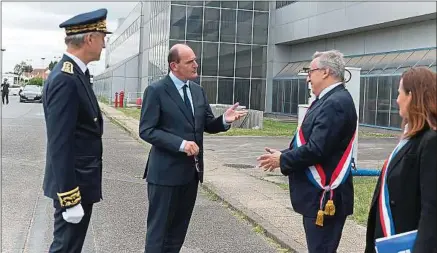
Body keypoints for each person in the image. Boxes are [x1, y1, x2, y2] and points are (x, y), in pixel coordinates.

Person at [139, 43, 247, 253]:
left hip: (191, 175)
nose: (196, 65)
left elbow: (207, 124)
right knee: (158, 233)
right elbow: (147, 130)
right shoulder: (156, 91)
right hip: (164, 175)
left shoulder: (197, 91)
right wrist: (180, 144)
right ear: (174, 65)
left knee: (177, 233)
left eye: (195, 60)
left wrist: (224, 120)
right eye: (190, 62)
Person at [257, 50, 357, 253]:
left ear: (326, 72)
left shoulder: (336, 103)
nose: (307, 79)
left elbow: (317, 149)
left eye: (310, 72)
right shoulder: (326, 100)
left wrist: (283, 159)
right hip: (317, 196)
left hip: (326, 196)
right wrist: (283, 155)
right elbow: (312, 143)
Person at [42, 8, 110, 252]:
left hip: (81, 180)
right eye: (103, 37)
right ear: (90, 39)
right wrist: (69, 198)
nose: (104, 44)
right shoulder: (65, 78)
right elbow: (60, 143)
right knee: (65, 248)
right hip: (74, 185)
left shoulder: (78, 74)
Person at [364, 67, 437, 253]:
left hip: (409, 243)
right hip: (390, 239)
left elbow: (432, 209)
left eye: (399, 93)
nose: (396, 100)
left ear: (411, 95)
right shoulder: (411, 137)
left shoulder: (430, 141)